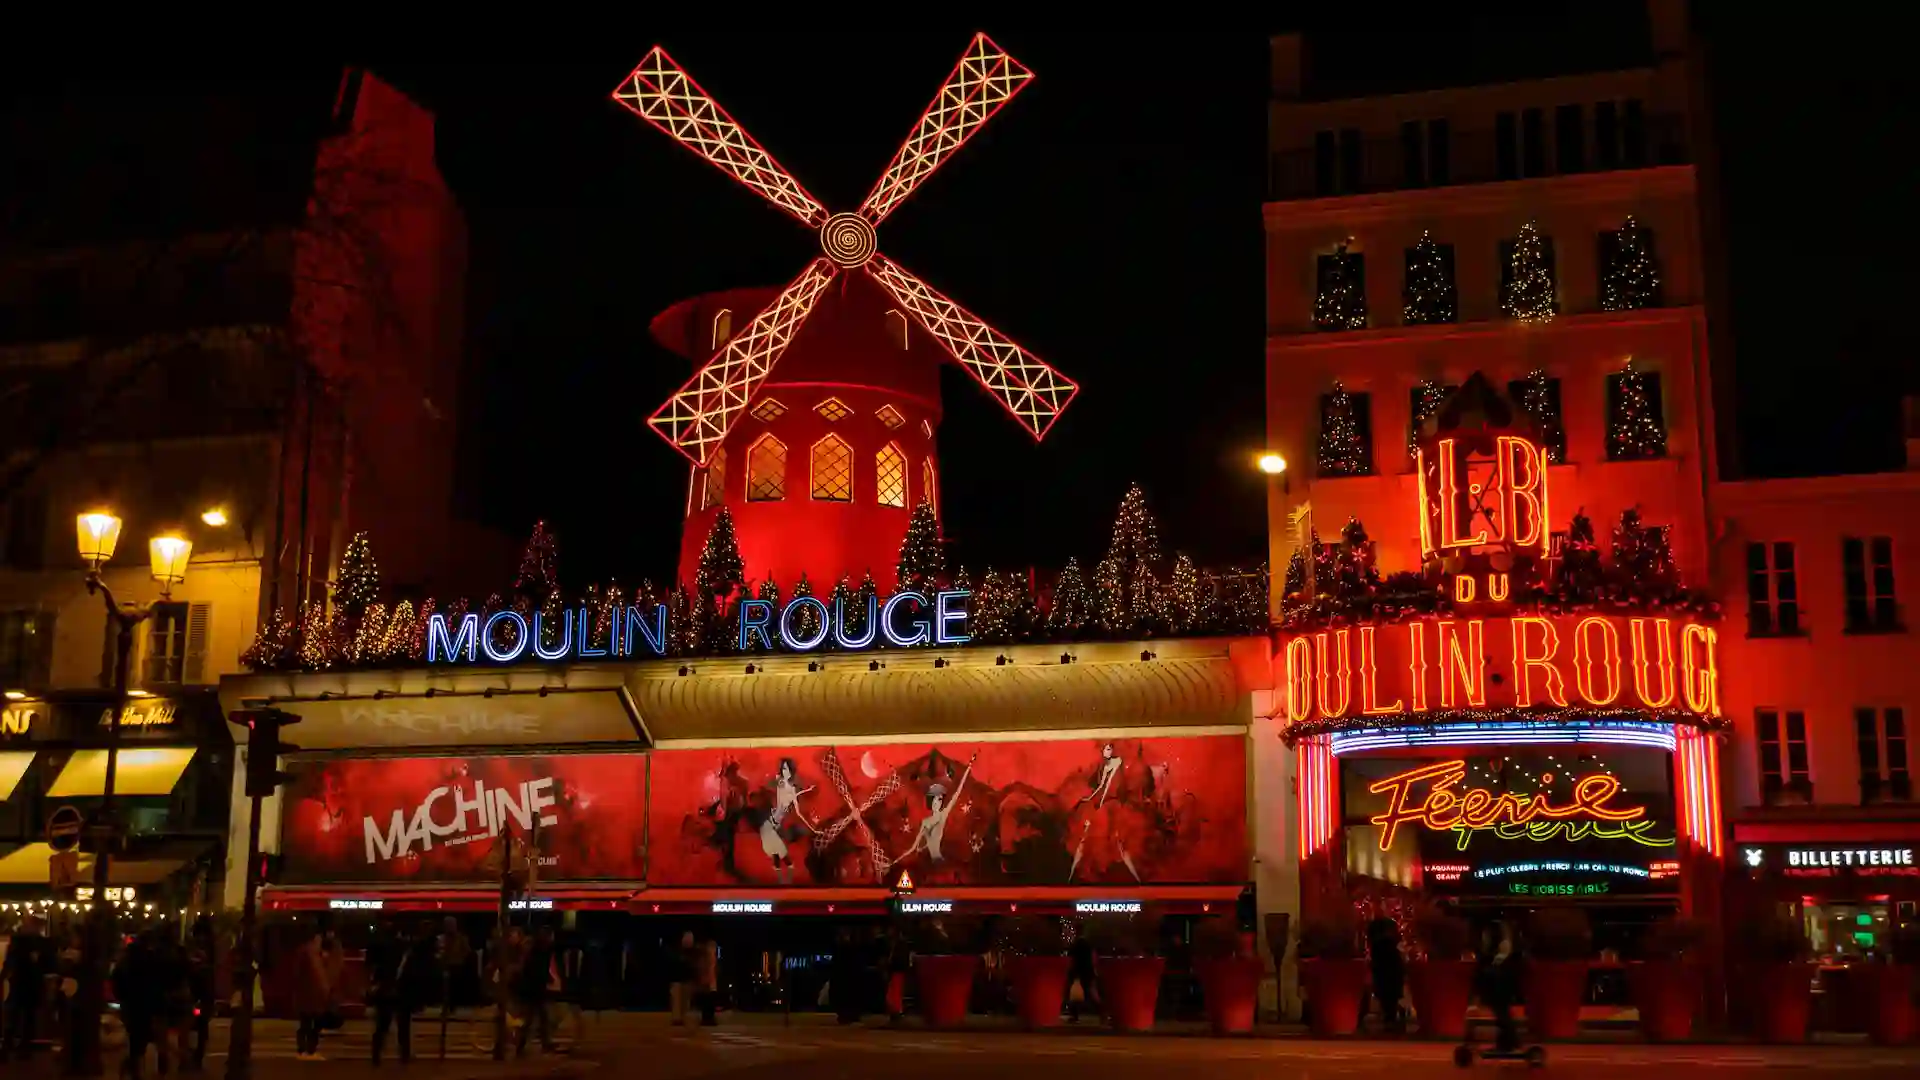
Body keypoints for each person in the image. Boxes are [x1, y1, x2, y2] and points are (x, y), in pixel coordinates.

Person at [1, 915, 51, 1062]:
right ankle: (21, 1047)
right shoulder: (40, 943)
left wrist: (4, 975)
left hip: (22, 982)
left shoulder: (19, 941)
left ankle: (11, 1047)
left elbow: (10, 961)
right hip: (29, 983)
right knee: (25, 1017)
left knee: (16, 1016)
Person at [512, 926, 558, 1056]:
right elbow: (533, 969)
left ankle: (543, 1043)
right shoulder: (538, 951)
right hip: (533, 989)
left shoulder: (542, 950)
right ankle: (524, 1045)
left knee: (540, 1018)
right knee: (533, 1019)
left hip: (536, 988)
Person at [1477, 921, 1520, 1053]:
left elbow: (1503, 953)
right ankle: (1507, 1041)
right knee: (1501, 1011)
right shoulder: (1501, 928)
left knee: (1501, 1011)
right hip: (1501, 977)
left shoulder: (1499, 932)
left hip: (1501, 978)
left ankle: (1509, 1041)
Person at [291, 924, 332, 1060]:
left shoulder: (315, 954)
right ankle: (305, 1049)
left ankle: (307, 1049)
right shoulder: (308, 953)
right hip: (308, 994)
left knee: (311, 1023)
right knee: (308, 1023)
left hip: (313, 995)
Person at [184, 917, 217, 1070]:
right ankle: (196, 1055)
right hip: (202, 988)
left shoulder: (192, 945)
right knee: (201, 1024)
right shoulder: (210, 945)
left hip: (194, 988)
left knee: (189, 1023)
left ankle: (190, 1056)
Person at [1366, 917, 1406, 1032]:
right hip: (1390, 980)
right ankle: (1391, 1018)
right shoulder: (1390, 950)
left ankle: (1390, 1018)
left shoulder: (1379, 949)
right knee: (1389, 1000)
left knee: (1388, 1000)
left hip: (1385, 979)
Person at [1066, 932, 1096, 1023]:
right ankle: (1102, 1012)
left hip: (1079, 972)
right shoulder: (1087, 944)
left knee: (1074, 995)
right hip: (1087, 972)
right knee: (1089, 993)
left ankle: (1074, 1015)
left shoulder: (1077, 944)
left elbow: (1072, 957)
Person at [694, 933, 719, 1027]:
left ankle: (709, 1018)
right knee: (707, 1002)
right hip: (706, 983)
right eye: (712, 947)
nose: (713, 948)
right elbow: (702, 970)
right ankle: (706, 1019)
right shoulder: (704, 958)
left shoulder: (713, 958)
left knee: (710, 1002)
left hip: (711, 983)